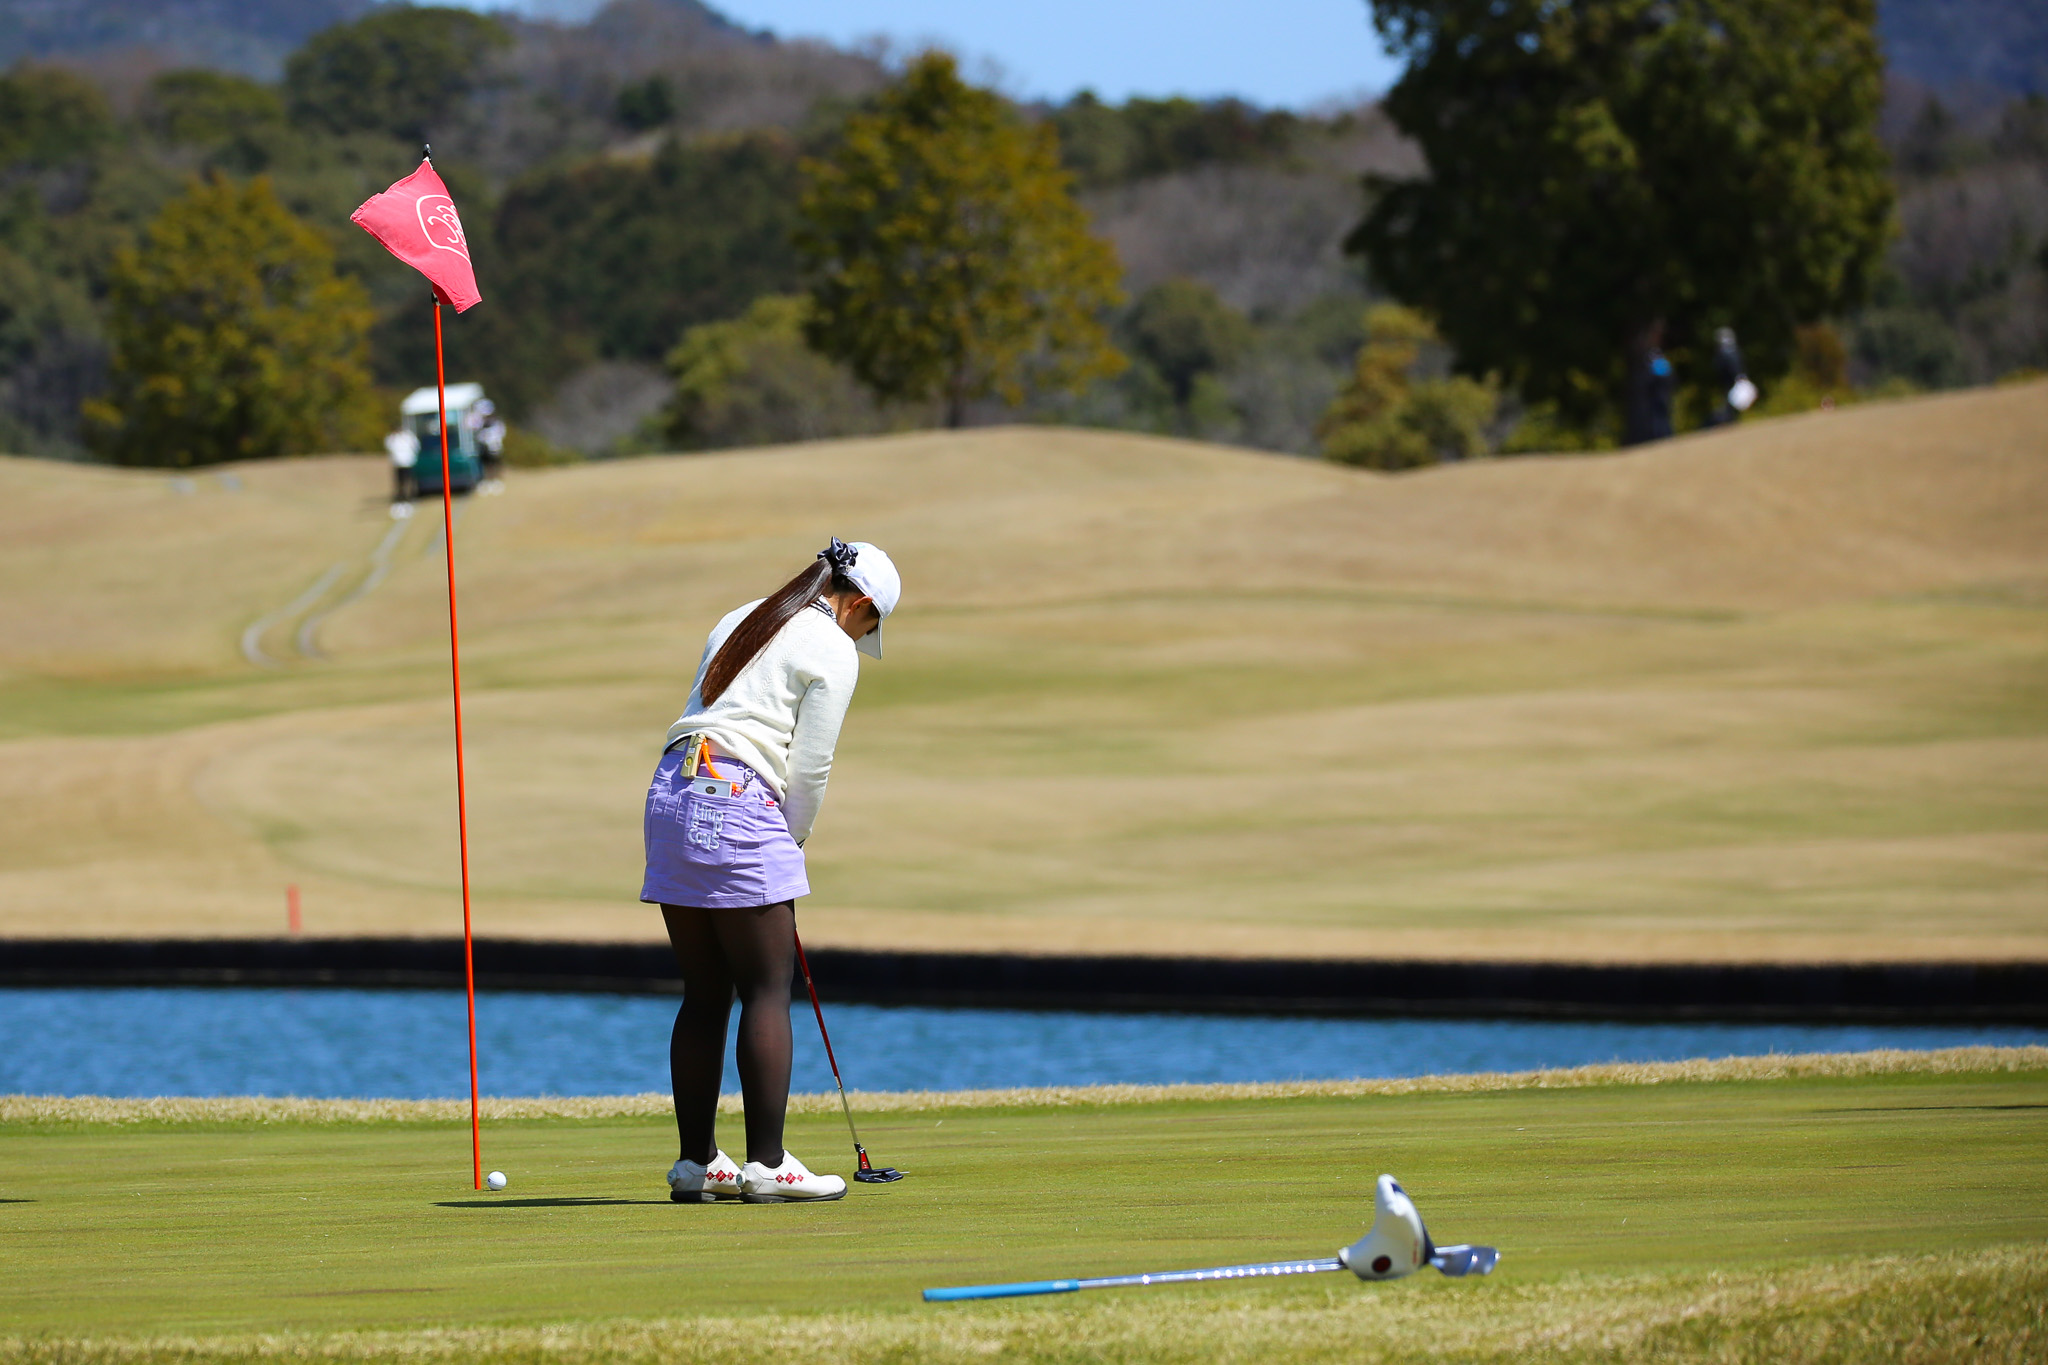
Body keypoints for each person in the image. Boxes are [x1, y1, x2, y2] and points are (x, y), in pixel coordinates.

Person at [643, 537, 900, 1204]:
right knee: (765, 987)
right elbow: (810, 766)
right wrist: (792, 839)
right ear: (860, 605)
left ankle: (698, 1163)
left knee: (705, 991)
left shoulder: (744, 614)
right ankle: (767, 1165)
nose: (863, 637)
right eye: (870, 625)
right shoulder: (833, 646)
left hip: (672, 788)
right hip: (737, 794)